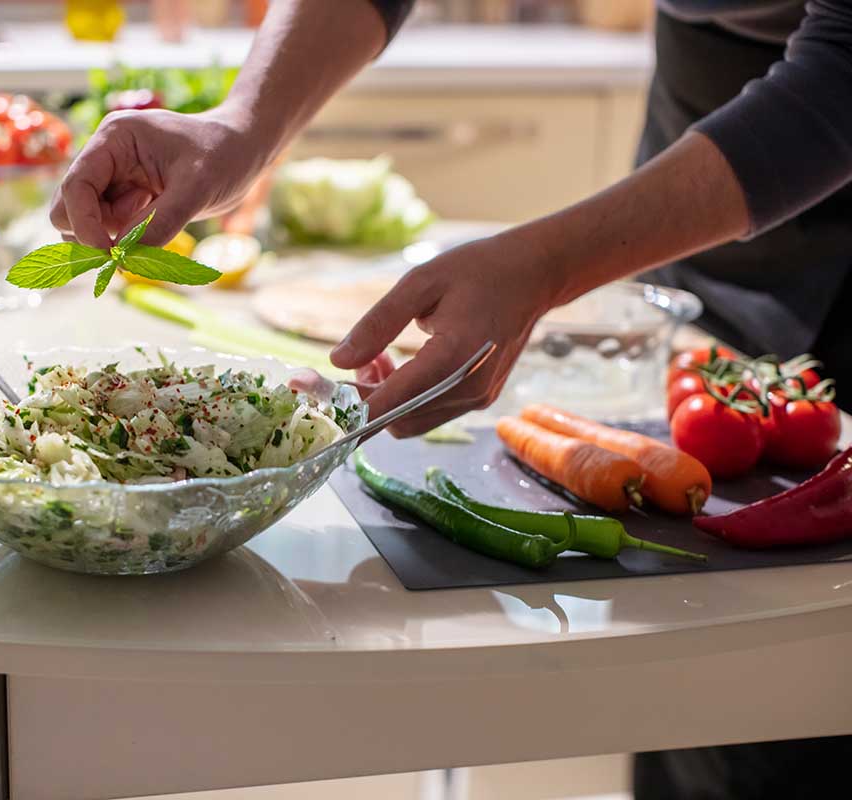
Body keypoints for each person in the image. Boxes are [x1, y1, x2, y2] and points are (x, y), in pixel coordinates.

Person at [51, 0, 852, 789]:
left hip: (824, 123)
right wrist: (242, 126)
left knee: (797, 686)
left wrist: (547, 265)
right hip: (712, 101)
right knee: (688, 669)